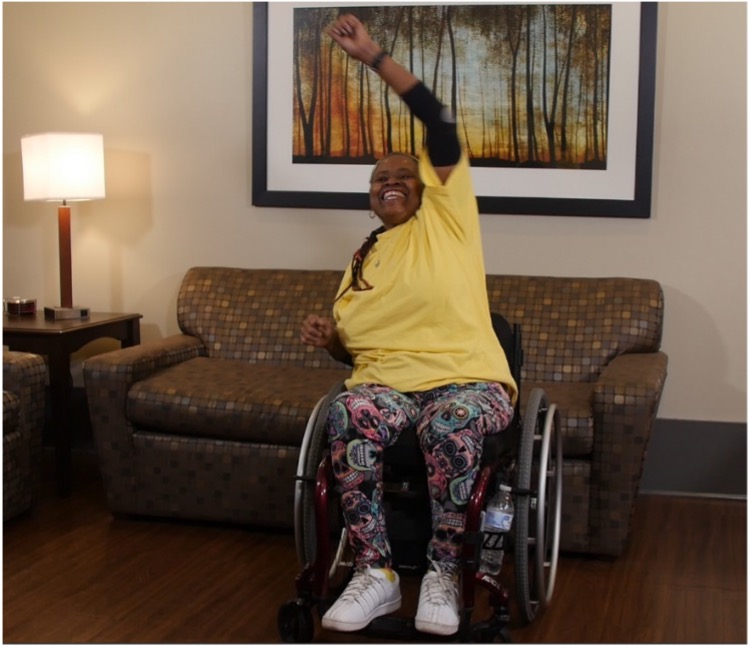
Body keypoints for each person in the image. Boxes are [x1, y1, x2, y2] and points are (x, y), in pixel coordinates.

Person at [299, 14, 518, 637]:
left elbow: (440, 123)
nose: (390, 183)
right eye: (379, 180)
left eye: (402, 176)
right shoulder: (363, 257)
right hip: (389, 388)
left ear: (425, 189)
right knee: (347, 412)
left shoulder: (447, 220)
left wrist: (375, 59)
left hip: (464, 385)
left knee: (448, 422)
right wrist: (333, 338)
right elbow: (356, 356)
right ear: (370, 197)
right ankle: (378, 574)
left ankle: (445, 572)